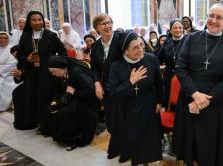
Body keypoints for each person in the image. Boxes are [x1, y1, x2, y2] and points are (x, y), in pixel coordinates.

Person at [172, 3, 223, 166]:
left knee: (209, 150)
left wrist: (206, 100)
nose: (214, 20)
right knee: (190, 146)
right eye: (211, 16)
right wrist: (195, 94)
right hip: (189, 98)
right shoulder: (191, 39)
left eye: (219, 17)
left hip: (214, 104)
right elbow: (180, 68)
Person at [105, 32, 164, 164]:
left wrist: (160, 101)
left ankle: (149, 158)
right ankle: (131, 154)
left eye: (141, 45)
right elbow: (112, 93)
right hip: (127, 107)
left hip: (149, 103)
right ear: (125, 51)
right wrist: (130, 82)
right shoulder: (116, 66)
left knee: (149, 136)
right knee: (131, 135)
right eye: (135, 47)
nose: (141, 49)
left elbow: (159, 83)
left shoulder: (151, 58)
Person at [16, 11, 66, 132]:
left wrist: (56, 65)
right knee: (32, 97)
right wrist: (26, 58)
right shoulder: (25, 35)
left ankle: (47, 124)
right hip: (31, 72)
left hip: (47, 72)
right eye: (34, 20)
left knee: (45, 96)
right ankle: (35, 121)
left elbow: (63, 52)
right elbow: (20, 54)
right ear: (29, 22)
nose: (37, 22)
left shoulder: (51, 35)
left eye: (40, 20)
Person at [47, 55, 99, 151]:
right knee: (54, 107)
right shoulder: (66, 71)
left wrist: (74, 92)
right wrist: (56, 100)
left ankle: (74, 139)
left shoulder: (77, 71)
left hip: (88, 104)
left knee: (64, 113)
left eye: (54, 71)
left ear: (61, 67)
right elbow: (63, 89)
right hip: (76, 98)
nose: (53, 74)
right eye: (51, 72)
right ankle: (63, 136)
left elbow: (90, 90)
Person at [90, 13, 123, 157]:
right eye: (104, 23)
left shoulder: (121, 39)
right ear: (97, 28)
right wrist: (97, 84)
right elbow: (95, 67)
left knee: (123, 118)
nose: (108, 26)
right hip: (107, 86)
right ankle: (116, 145)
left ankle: (125, 148)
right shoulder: (96, 45)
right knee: (110, 119)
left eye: (109, 22)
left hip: (123, 85)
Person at [158, 20, 186, 104]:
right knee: (170, 97)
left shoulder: (188, 40)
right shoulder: (167, 41)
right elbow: (159, 59)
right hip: (169, 75)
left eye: (180, 28)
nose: (177, 30)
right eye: (175, 28)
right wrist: (160, 67)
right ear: (170, 30)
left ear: (183, 29)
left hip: (185, 75)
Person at [0, 31, 18, 111]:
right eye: (0, 38)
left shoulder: (12, 49)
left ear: (8, 39)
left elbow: (11, 64)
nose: (2, 40)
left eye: (5, 38)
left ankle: (3, 106)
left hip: (9, 74)